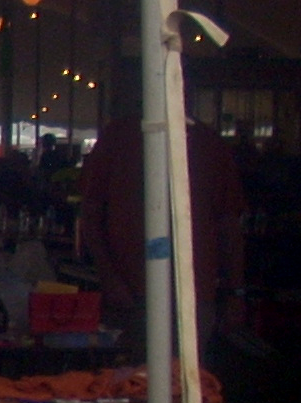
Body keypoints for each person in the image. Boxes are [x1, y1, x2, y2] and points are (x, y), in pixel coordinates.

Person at [78, 100, 248, 353]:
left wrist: (236, 292)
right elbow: (91, 214)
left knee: (184, 381)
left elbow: (228, 223)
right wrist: (109, 276)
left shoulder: (208, 143)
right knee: (130, 381)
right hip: (131, 293)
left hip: (192, 294)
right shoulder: (119, 138)